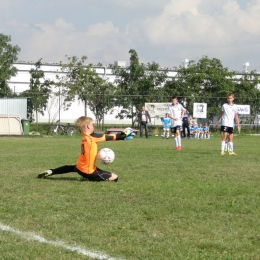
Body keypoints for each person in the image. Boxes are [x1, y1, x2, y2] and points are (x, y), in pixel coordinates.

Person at [38, 116, 133, 182]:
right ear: (88, 126)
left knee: (71, 168)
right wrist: (123, 135)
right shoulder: (92, 136)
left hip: (80, 166)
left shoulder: (84, 136)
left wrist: (122, 136)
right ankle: (87, 177)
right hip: (88, 171)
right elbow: (109, 137)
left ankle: (52, 171)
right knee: (115, 177)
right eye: (92, 124)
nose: (93, 126)